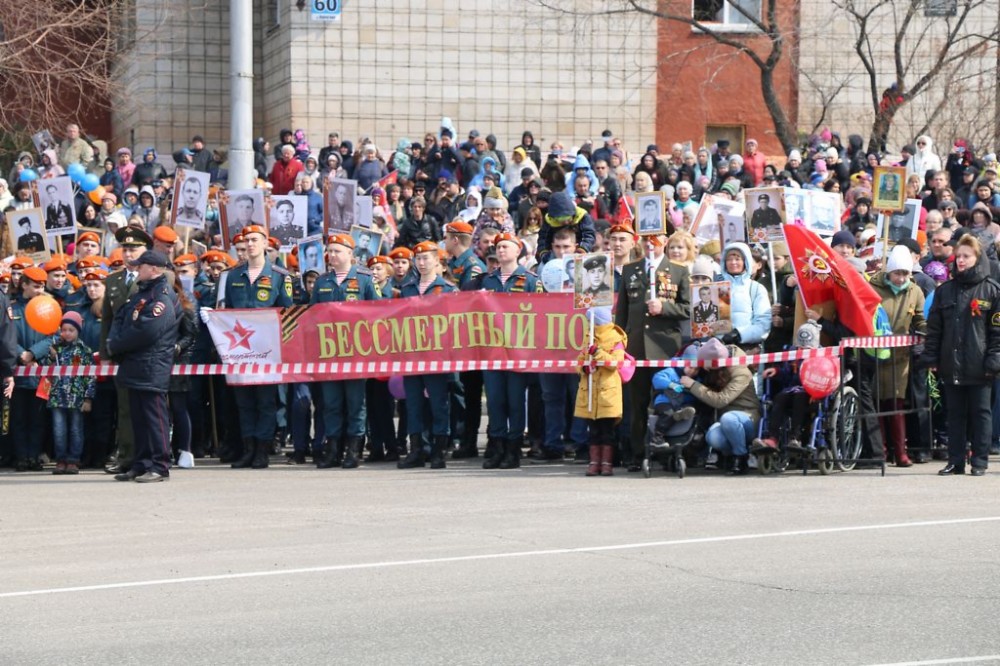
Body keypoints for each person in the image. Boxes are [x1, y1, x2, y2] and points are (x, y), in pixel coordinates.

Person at [209, 224, 294, 469]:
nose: (250, 244)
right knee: (244, 401)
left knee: (265, 402)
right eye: (247, 240)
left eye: (255, 240)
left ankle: (262, 449)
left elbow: (288, 312)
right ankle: (248, 449)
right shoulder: (233, 275)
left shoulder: (279, 275)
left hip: (267, 350)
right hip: (240, 350)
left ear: (265, 243)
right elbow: (227, 310)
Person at [921, 233, 1000, 476]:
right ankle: (955, 461)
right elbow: (934, 329)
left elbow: (997, 332)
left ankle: (979, 461)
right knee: (954, 415)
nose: (961, 260)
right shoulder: (945, 291)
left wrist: (994, 360)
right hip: (951, 363)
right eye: (959, 256)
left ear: (977, 258)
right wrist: (931, 357)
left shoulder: (991, 290)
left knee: (981, 414)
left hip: (980, 364)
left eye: (966, 256)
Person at [615, 234, 691, 470]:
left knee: (666, 399)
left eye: (655, 238)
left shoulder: (678, 271)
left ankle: (667, 451)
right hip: (636, 347)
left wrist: (664, 308)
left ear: (665, 240)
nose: (650, 244)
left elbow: (688, 308)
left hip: (664, 346)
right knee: (636, 403)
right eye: (646, 239)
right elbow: (622, 312)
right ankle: (638, 453)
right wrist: (619, 343)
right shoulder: (630, 269)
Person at [106, 250, 179, 482]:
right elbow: (121, 317)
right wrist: (114, 341)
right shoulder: (142, 293)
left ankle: (160, 465)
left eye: (141, 266)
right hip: (136, 364)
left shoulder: (161, 296)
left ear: (154, 269)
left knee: (155, 419)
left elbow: (147, 331)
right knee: (139, 419)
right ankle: (142, 463)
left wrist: (117, 343)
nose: (137, 269)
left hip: (151, 365)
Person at [310, 233, 378, 469]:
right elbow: (312, 316)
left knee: (355, 402)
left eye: (337, 251)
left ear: (350, 254)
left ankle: (354, 448)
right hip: (329, 353)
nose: (332, 255)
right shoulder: (322, 282)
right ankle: (333, 449)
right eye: (330, 251)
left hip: (356, 352)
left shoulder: (365, 280)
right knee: (331, 402)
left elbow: (379, 312)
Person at [480, 233, 543, 469]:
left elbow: (542, 314)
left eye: (505, 246)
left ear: (518, 251)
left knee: (515, 401)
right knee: (495, 400)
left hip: (519, 351)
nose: (501, 250)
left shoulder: (530, 280)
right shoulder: (487, 281)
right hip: (492, 351)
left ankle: (513, 450)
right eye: (498, 247)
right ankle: (497, 447)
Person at [396, 241, 457, 469]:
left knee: (438, 403)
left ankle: (439, 450)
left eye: (426, 258)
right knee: (413, 404)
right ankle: (417, 449)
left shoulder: (448, 289)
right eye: (418, 259)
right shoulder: (407, 288)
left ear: (436, 261)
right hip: (412, 355)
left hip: (437, 355)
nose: (421, 263)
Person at [681, 338, 760, 475]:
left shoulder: (741, 372)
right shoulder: (718, 357)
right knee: (713, 437)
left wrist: (693, 385)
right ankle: (728, 456)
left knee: (728, 418)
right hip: (725, 421)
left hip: (747, 416)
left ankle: (740, 457)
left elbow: (720, 401)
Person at [575, 307, 627, 476]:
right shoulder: (588, 338)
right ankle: (594, 462)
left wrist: (598, 353)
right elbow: (580, 360)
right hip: (590, 391)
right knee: (593, 431)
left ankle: (606, 463)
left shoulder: (616, 338)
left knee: (607, 431)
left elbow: (615, 363)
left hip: (607, 392)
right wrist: (583, 368)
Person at [44, 311, 96, 475]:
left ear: (78, 331)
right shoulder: (55, 349)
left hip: (76, 397)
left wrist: (88, 398)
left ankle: (73, 459)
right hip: (57, 397)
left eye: (71, 330)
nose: (67, 333)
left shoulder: (84, 350)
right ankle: (60, 459)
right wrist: (51, 357)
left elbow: (90, 376)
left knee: (76, 429)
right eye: (64, 330)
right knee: (59, 430)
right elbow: (46, 371)